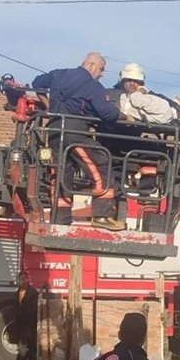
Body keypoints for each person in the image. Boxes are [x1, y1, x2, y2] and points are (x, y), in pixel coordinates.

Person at [31, 52, 125, 231]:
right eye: (102, 69)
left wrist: (48, 106)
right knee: (101, 164)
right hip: (74, 132)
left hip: (53, 132)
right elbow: (107, 113)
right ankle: (102, 215)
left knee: (61, 173)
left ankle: (60, 218)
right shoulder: (92, 86)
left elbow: (37, 83)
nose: (102, 74)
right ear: (91, 66)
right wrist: (125, 116)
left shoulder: (59, 74)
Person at [11, 272, 40, 360]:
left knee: (30, 344)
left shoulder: (33, 293)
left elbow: (35, 309)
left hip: (30, 323)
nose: (20, 281)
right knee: (22, 344)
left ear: (27, 280)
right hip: (20, 323)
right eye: (19, 279)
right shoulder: (17, 293)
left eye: (23, 279)